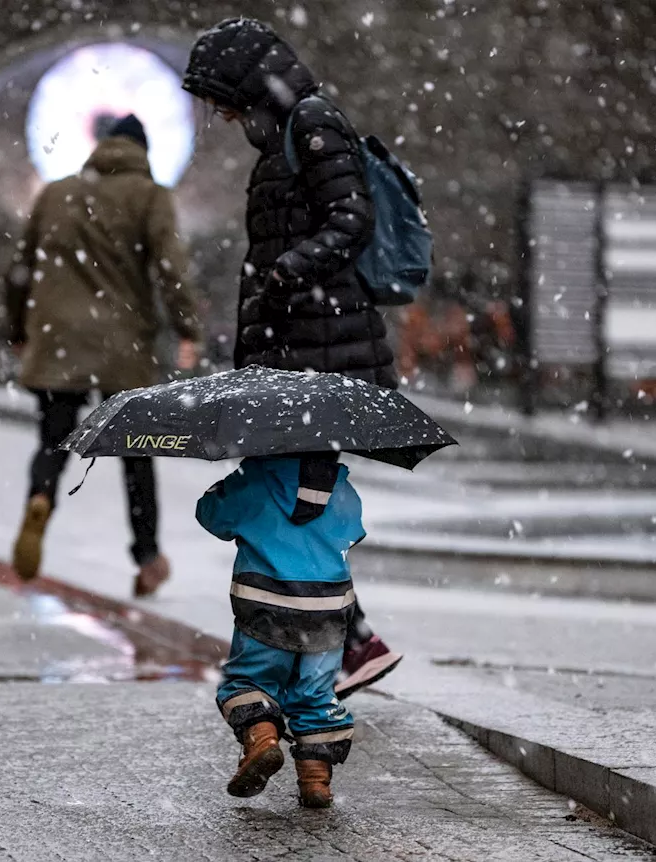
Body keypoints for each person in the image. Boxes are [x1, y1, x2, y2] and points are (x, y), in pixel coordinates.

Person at [182, 17, 402, 696]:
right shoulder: (283, 136)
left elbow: (350, 219)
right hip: (296, 346)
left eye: (222, 99)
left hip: (321, 348)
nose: (219, 115)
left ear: (247, 86)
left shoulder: (312, 125)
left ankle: (337, 648)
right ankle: (342, 644)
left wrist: (286, 275)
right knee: (296, 500)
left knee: (296, 498)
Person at [6, 114, 202, 597]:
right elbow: (170, 269)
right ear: (143, 151)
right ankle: (147, 556)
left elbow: (20, 270)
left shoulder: (56, 193)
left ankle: (40, 497)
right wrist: (188, 328)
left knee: (52, 440)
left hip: (58, 337)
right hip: (123, 344)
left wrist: (18, 329)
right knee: (136, 455)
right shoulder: (150, 196)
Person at [196, 456, 361, 808]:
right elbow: (353, 531)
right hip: (328, 610)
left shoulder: (255, 477)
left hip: (266, 604)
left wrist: (227, 487)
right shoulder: (342, 488)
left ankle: (263, 739)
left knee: (248, 681)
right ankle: (316, 780)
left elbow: (212, 515)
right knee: (316, 693)